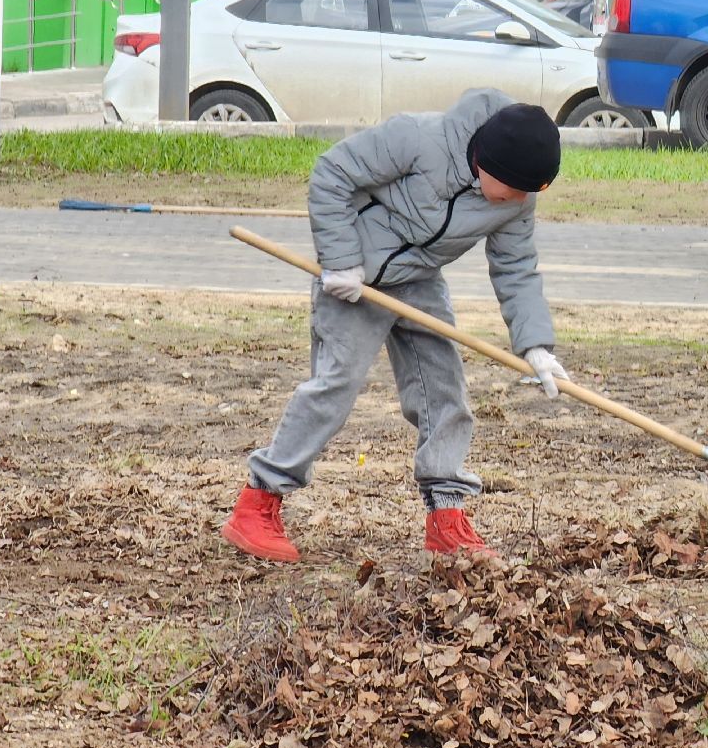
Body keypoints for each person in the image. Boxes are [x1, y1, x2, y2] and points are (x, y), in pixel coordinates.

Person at [221, 89, 570, 563]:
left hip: (419, 281)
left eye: (531, 192)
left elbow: (516, 270)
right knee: (335, 386)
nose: (520, 200)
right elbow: (332, 173)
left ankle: (446, 518)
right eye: (514, 188)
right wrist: (341, 262)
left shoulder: (516, 200)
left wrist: (535, 346)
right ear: (486, 162)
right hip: (354, 281)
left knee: (444, 392)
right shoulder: (419, 138)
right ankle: (257, 503)